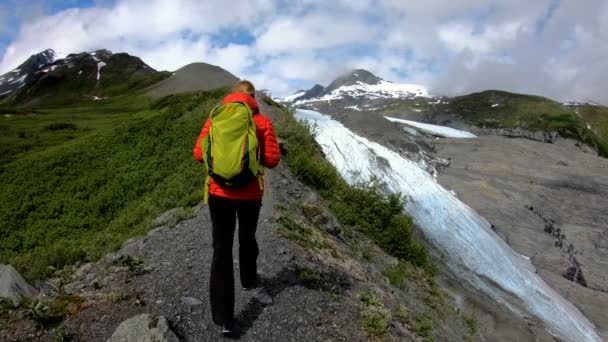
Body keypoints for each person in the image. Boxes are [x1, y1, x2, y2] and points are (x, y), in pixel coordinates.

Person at [193, 80, 280, 336]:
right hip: (250, 194)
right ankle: (249, 280)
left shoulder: (215, 118)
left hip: (218, 193)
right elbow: (272, 161)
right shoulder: (261, 122)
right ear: (253, 98)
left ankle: (223, 320)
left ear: (231, 95)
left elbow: (199, 154)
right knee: (247, 236)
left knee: (221, 249)